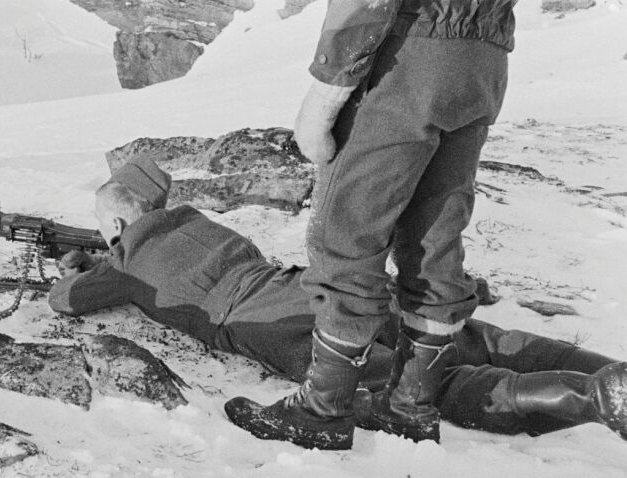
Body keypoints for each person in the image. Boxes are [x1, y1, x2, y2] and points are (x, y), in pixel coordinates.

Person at [49, 159, 627, 449]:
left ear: (120, 224)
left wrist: (77, 269)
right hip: (317, 287)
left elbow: (64, 301)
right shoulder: (197, 219)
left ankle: (594, 399)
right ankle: (609, 374)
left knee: (425, 384)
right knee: (470, 337)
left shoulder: (123, 261)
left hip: (274, 327)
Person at [227, 0, 518, 447]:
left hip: (407, 61)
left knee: (347, 235)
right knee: (434, 237)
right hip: (484, 61)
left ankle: (321, 411)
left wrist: (327, 89)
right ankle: (409, 407)